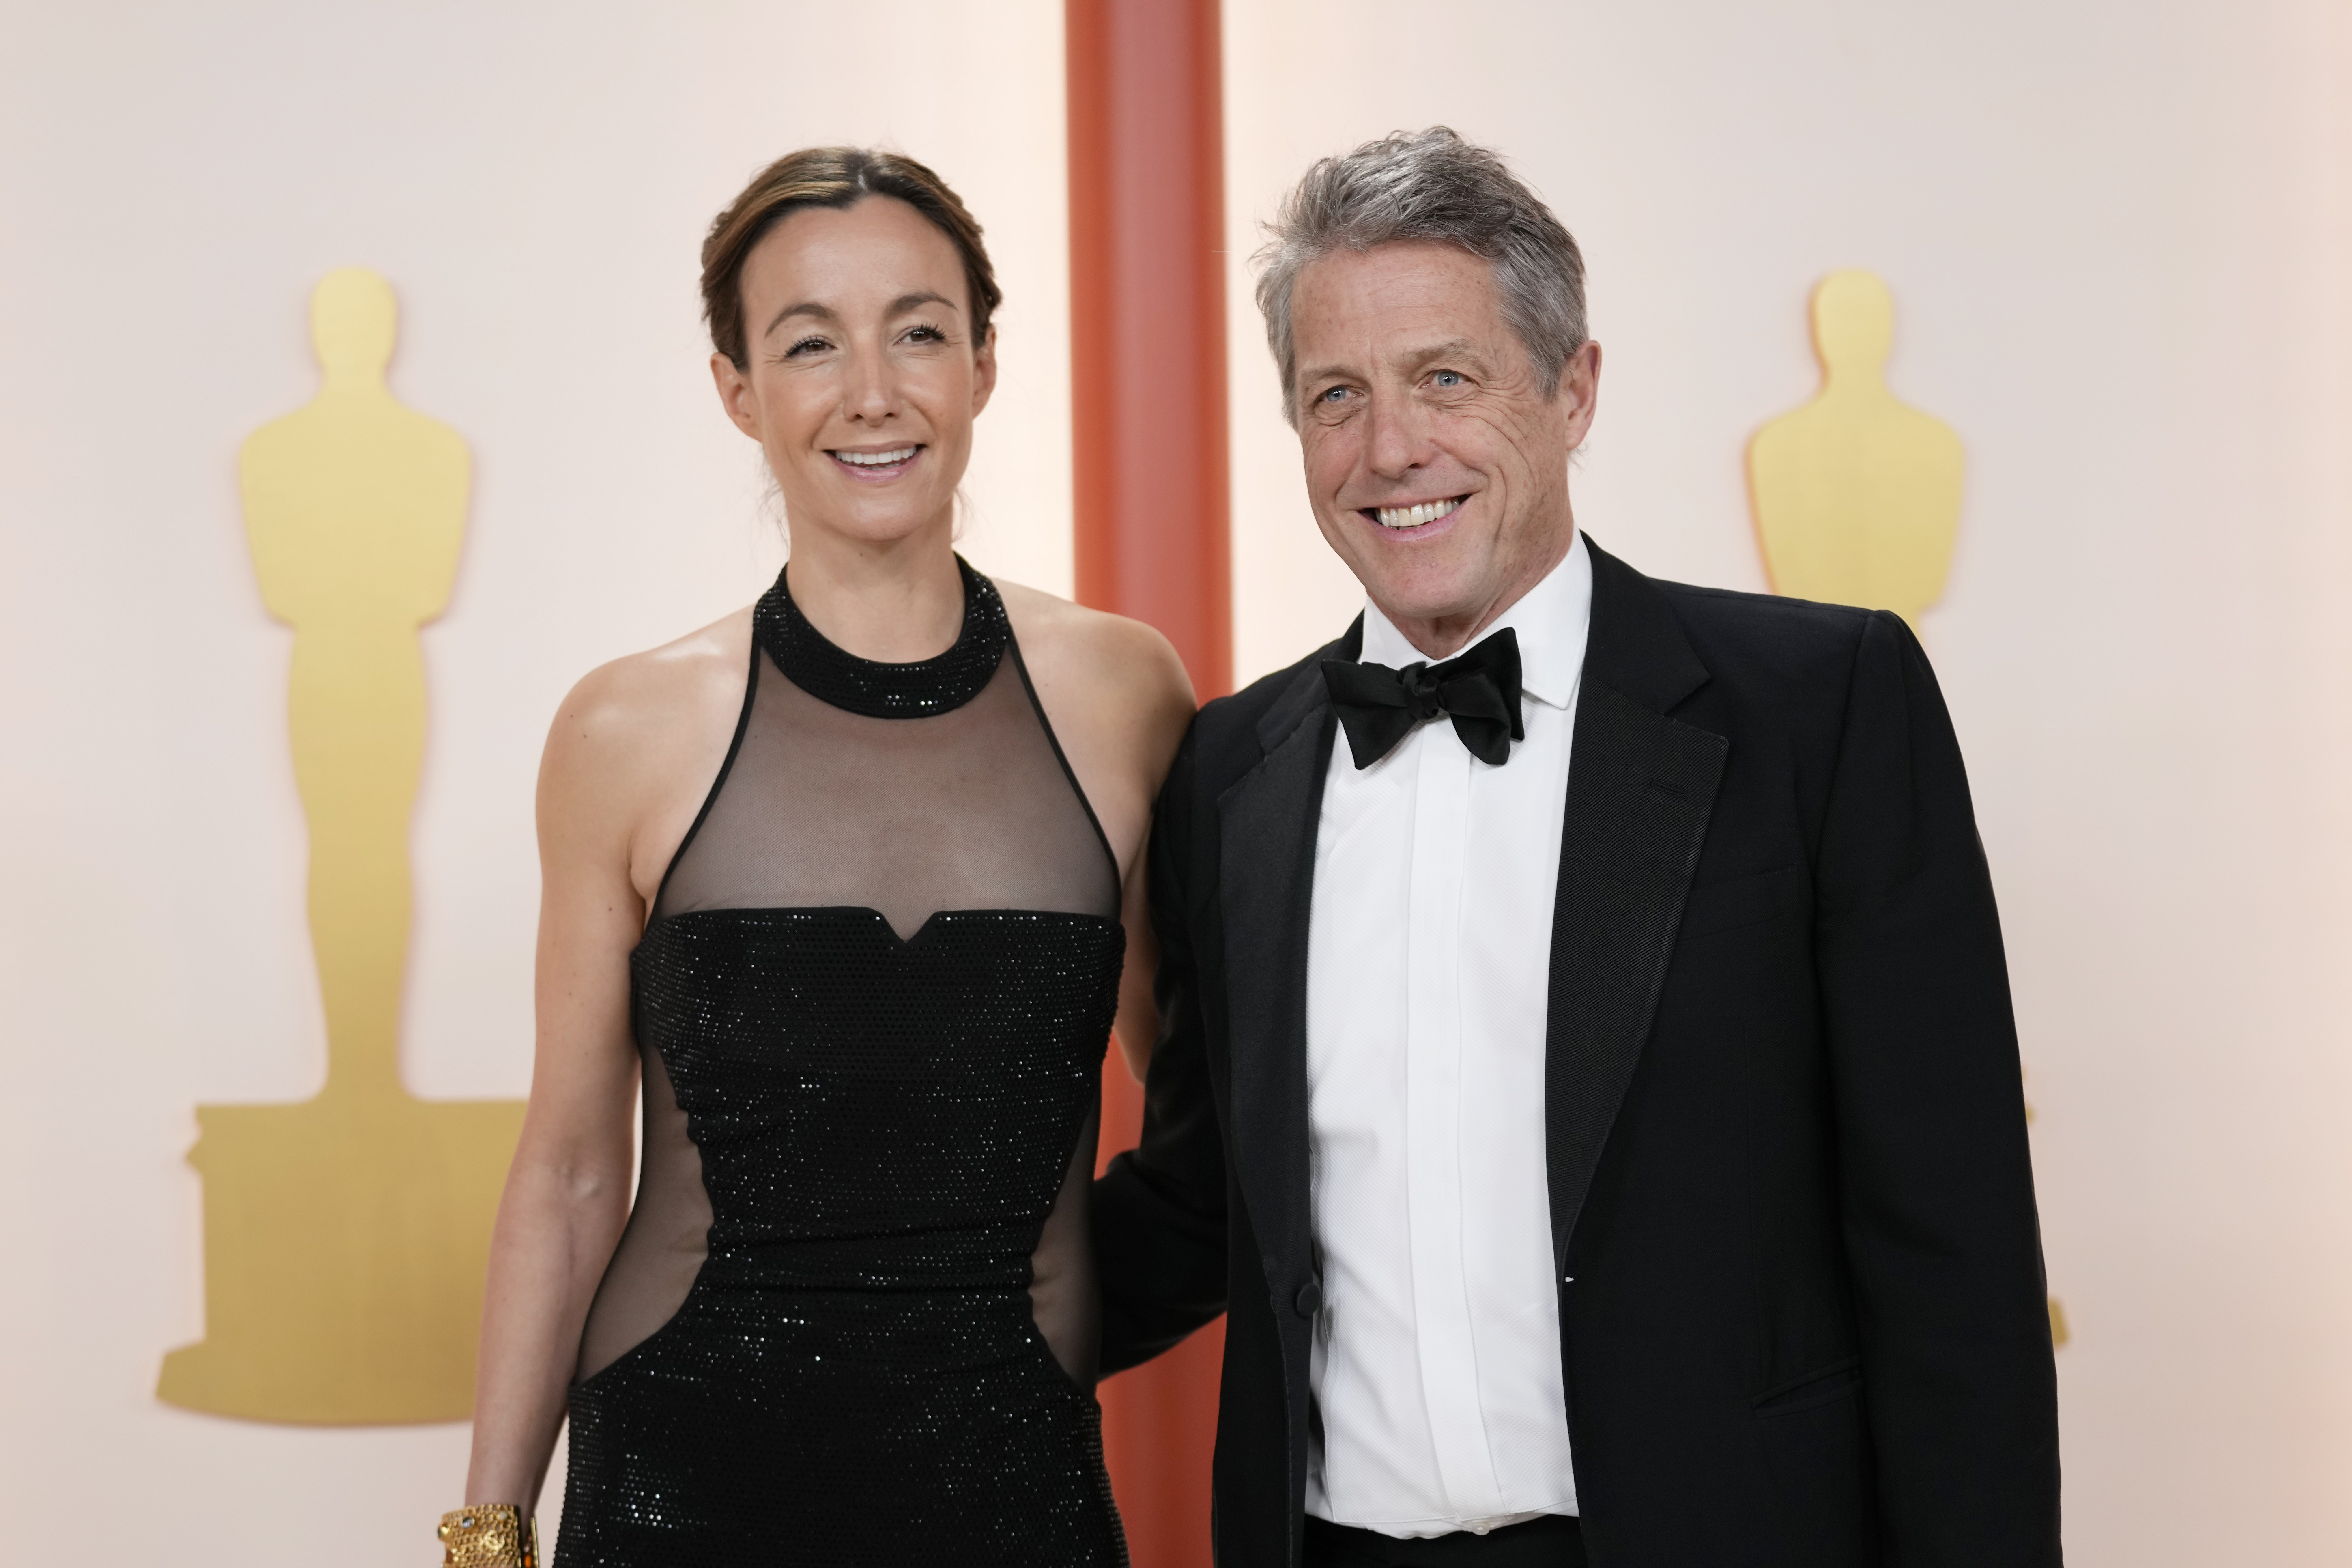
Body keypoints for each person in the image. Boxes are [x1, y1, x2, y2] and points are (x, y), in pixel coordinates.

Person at [1094, 127, 2060, 1568]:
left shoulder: (1823, 708)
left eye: (1445, 378)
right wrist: (851, 1327)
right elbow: (1196, 1206)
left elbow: (1951, 1252)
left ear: (1573, 389)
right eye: (1333, 397)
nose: (1390, 449)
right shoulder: (1230, 768)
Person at [453, 147, 1194, 1566]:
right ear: (737, 388)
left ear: (984, 362)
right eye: (810, 343)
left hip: (1013, 1481)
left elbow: (1198, 1118)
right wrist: (487, 1533)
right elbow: (565, 1176)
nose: (873, 391)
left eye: (918, 330)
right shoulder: (624, 728)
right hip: (682, 1482)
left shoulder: (1128, 694)